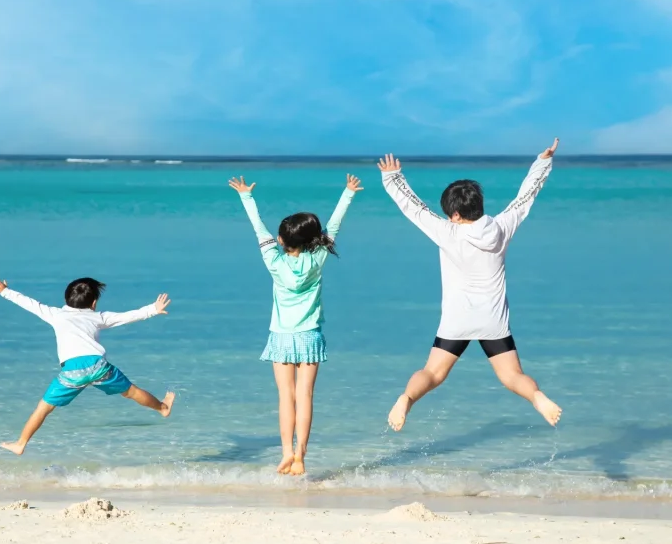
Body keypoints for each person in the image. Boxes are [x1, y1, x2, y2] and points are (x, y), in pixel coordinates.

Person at [377, 139, 563, 432]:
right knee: (512, 376)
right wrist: (542, 162)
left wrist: (392, 177)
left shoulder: (446, 231)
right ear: (479, 205)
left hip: (456, 319)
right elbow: (525, 197)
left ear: (454, 214)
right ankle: (537, 397)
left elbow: (414, 208)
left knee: (433, 373)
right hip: (493, 320)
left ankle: (406, 398)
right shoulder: (501, 227)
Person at [229, 174, 362, 475]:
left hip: (281, 337)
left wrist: (246, 196)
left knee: (285, 397)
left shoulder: (273, 261)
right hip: (310, 336)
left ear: (283, 242)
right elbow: (334, 226)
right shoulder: (318, 258)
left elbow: (257, 228)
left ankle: (286, 452)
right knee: (305, 397)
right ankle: (301, 455)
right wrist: (348, 193)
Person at [0, 277, 174, 455]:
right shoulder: (98, 317)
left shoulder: (55, 314)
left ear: (66, 299)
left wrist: (5, 291)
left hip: (72, 372)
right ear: (93, 303)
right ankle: (162, 408)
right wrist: (153, 309)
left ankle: (20, 444)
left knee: (43, 409)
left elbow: (30, 304)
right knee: (131, 392)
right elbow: (127, 317)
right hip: (98, 367)